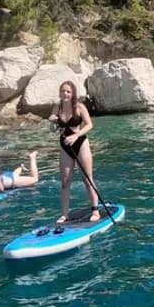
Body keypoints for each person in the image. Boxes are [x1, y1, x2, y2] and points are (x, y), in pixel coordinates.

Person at [47, 80, 101, 225]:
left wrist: (76, 135)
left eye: (68, 92)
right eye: (63, 91)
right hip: (65, 146)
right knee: (65, 181)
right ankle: (65, 214)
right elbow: (53, 130)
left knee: (87, 179)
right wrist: (52, 122)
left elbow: (89, 125)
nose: (65, 94)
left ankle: (95, 211)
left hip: (80, 144)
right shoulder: (57, 108)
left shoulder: (79, 107)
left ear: (72, 94)